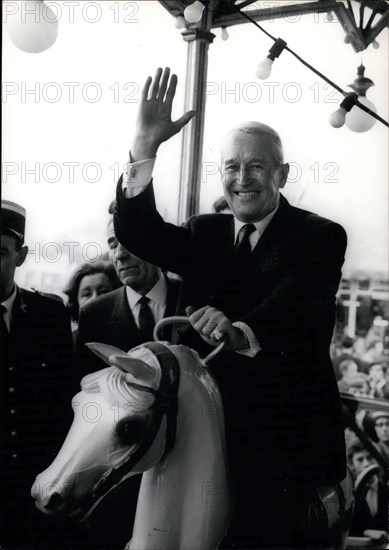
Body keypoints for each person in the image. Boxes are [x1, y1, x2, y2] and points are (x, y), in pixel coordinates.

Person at [112, 67, 348, 548]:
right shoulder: (206, 232)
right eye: (231, 167)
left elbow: (298, 302)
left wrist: (238, 328)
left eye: (257, 167)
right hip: (204, 436)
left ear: (282, 174)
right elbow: (140, 233)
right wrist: (144, 147)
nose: (242, 179)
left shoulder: (319, 235)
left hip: (284, 445)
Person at [75, 208, 180, 548]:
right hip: (119, 484)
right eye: (112, 243)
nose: (119, 254)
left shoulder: (194, 298)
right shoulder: (95, 314)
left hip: (186, 475)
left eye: (129, 242)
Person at [0, 200, 77, 549]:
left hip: (41, 495)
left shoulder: (50, 317)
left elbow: (66, 403)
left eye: (1, 252)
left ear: (21, 254)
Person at [346, 438, 388, 545]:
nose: (366, 464)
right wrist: (366, 532)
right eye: (360, 459)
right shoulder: (348, 496)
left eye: (370, 457)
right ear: (351, 464)